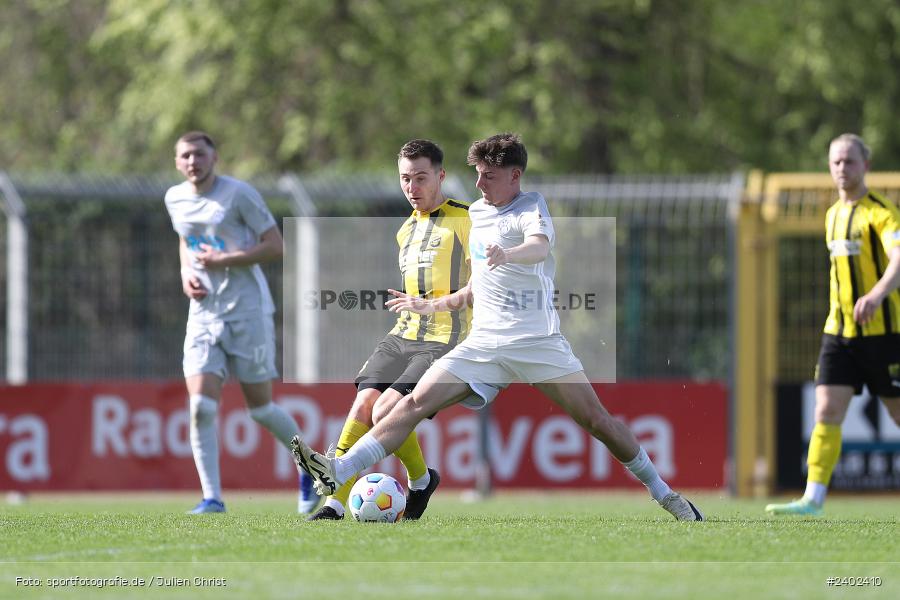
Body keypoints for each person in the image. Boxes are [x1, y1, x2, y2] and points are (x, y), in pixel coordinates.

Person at [292, 133, 704, 521]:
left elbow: (539, 247)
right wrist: (431, 305)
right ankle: (340, 469)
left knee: (599, 422)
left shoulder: (531, 206)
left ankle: (665, 494)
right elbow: (475, 287)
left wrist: (508, 254)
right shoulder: (476, 212)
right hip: (484, 345)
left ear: (514, 175)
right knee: (410, 403)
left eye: (488, 176)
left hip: (536, 342)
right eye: (477, 174)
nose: (479, 183)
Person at [306, 139, 472, 520]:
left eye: (421, 178)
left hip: (443, 339)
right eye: (405, 179)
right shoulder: (405, 230)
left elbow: (482, 286)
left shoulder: (467, 219)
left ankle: (418, 481)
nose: (412, 187)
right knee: (364, 403)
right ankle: (336, 504)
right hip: (402, 334)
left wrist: (435, 306)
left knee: (385, 411)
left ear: (441, 176)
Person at [165, 131, 318, 514]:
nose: (192, 161)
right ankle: (212, 498)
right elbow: (185, 241)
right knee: (200, 407)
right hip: (204, 314)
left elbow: (276, 246)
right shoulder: (174, 198)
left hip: (248, 311)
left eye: (199, 154)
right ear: (177, 162)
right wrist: (186, 274)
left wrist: (224, 260)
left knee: (260, 409)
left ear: (214, 157)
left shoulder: (238, 195)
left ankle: (310, 467)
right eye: (185, 156)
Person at [766, 134, 900, 517]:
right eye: (836, 162)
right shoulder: (832, 215)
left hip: (885, 335)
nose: (842, 168)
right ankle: (813, 499)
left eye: (850, 161)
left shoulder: (881, 212)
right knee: (825, 410)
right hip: (839, 334)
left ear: (866, 166)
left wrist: (876, 295)